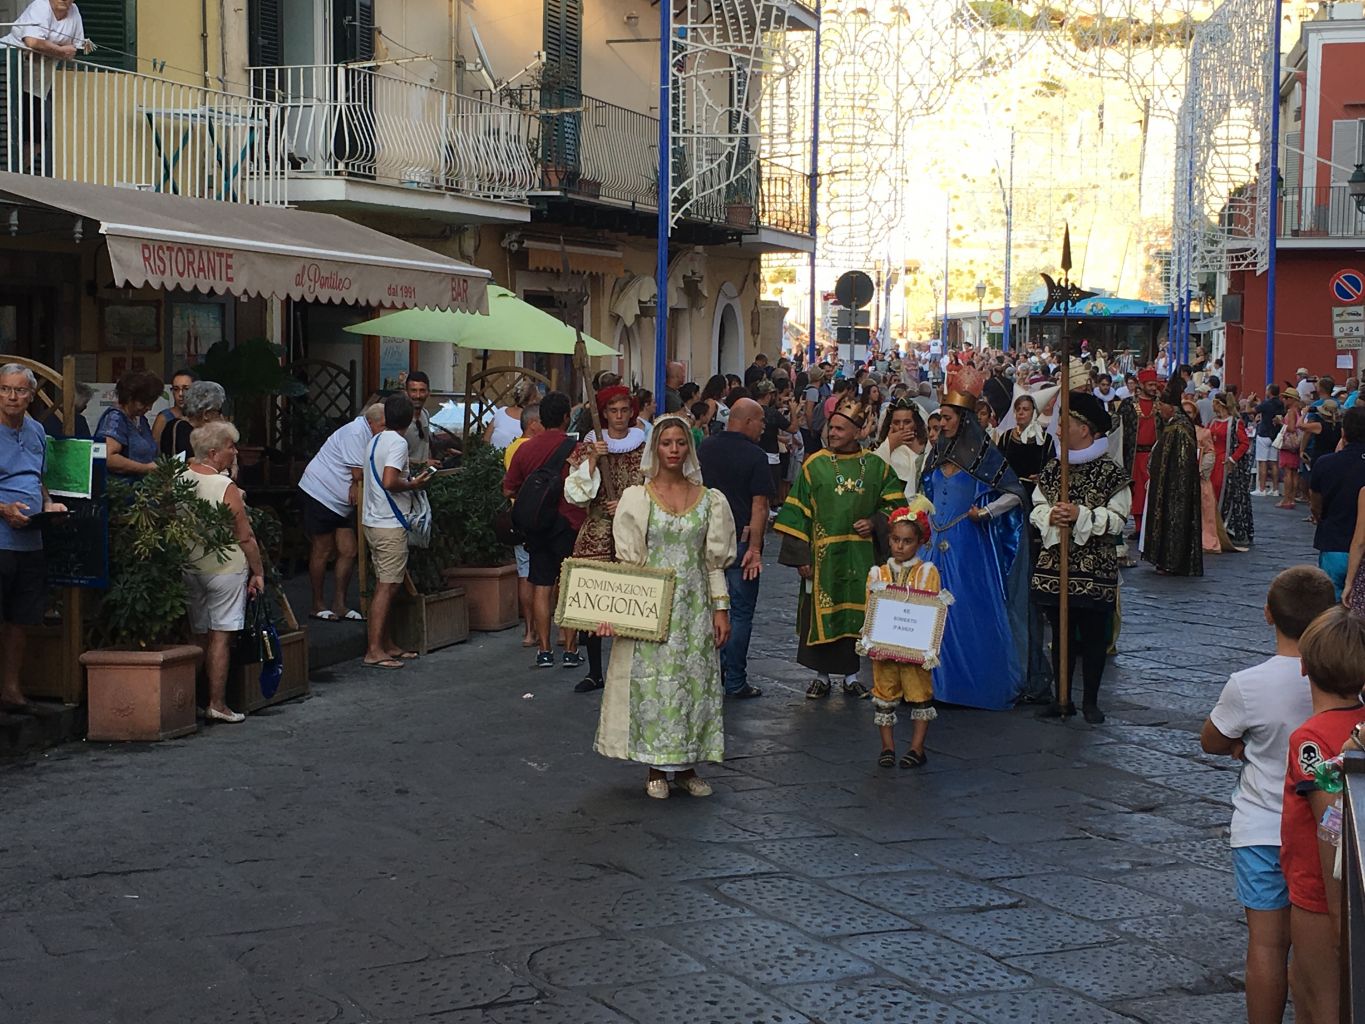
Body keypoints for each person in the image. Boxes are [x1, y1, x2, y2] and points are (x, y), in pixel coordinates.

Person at [1201, 566, 1337, 1024]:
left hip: (1260, 828)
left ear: (1267, 615)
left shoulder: (1248, 683)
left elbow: (1212, 740)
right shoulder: (1342, 681)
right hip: (1320, 835)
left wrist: (1243, 744)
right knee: (1320, 950)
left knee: (1265, 945)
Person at [592, 416, 736, 799]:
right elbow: (628, 563)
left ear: (689, 447)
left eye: (680, 442)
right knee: (655, 684)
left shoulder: (710, 500)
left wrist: (720, 608)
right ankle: (656, 766)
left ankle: (689, 767)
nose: (673, 449)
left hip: (694, 607)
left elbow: (713, 560)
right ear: (655, 448)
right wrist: (616, 612)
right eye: (666, 442)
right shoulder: (637, 499)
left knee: (694, 683)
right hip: (652, 607)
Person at [775, 395, 905, 699]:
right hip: (822, 557)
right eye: (830, 428)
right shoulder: (814, 466)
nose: (832, 433)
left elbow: (897, 507)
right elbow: (797, 511)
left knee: (857, 617)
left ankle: (850, 676)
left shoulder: (875, 467)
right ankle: (821, 677)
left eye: (839, 429)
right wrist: (800, 557)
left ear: (857, 431)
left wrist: (875, 522)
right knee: (821, 614)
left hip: (862, 557)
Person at [918, 366, 1029, 709]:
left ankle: (966, 684)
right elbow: (925, 492)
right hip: (933, 544)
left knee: (964, 610)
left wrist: (986, 512)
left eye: (947, 418)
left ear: (963, 420)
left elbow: (1015, 493)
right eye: (939, 420)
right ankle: (929, 684)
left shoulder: (984, 455)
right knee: (928, 610)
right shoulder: (936, 453)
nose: (942, 425)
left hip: (969, 546)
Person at [1279, 606, 1365, 1024]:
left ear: (1304, 666)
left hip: (1320, 892)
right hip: (1346, 887)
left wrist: (1337, 917)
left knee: (1319, 999)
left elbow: (1330, 829)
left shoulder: (1309, 740)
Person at [1030, 392, 1131, 723]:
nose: (1057, 430)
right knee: (1060, 634)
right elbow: (1037, 504)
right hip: (1055, 564)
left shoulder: (1111, 472)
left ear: (1085, 429)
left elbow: (1117, 518)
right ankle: (1062, 696)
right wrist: (1050, 516)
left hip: (1094, 566)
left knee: (1093, 634)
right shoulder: (1052, 468)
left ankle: (1090, 700)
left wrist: (1081, 515)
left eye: (1064, 423)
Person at [181, 421, 266, 725]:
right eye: (231, 446)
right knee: (221, 636)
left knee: (198, 635)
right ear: (215, 452)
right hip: (224, 567)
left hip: (191, 565)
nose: (236, 451)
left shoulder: (180, 478)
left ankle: (187, 701)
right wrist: (258, 572)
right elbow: (245, 536)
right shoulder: (224, 487)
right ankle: (217, 703)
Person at [564, 386, 647, 693]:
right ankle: (595, 671)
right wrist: (591, 461)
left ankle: (632, 668)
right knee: (595, 603)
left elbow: (653, 488)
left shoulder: (644, 448)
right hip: (598, 530)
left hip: (633, 531)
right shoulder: (590, 447)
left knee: (633, 601)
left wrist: (628, 502)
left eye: (625, 410)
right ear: (604, 414)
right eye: (613, 411)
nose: (620, 417)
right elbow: (575, 493)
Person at [0, 364, 67, 712]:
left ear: (31, 395)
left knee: (22, 617)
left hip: (31, 538)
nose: (13, 397)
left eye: (20, 390)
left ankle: (11, 689)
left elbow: (38, 478)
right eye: (6, 389)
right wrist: (4, 509)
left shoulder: (37, 430)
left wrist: (49, 503)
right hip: (0, 537)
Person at [502, 391, 584, 669]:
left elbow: (508, 488)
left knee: (541, 584)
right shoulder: (577, 449)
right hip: (569, 522)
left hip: (537, 525)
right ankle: (571, 649)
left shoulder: (524, 449)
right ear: (566, 417)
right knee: (569, 585)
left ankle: (544, 649)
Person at [699, 397, 773, 699]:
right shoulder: (755, 456)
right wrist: (755, 547)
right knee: (741, 612)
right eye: (761, 422)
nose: (764, 427)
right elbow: (760, 506)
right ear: (746, 421)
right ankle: (735, 679)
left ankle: (709, 674)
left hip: (706, 540)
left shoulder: (704, 448)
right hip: (741, 540)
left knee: (709, 609)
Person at [867, 504, 941, 769]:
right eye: (895, 540)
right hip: (886, 648)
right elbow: (871, 607)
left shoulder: (927, 572)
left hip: (914, 648)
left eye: (907, 541)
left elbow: (931, 608)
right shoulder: (878, 573)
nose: (900, 547)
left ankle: (917, 747)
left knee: (919, 694)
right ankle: (887, 747)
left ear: (919, 543)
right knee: (885, 694)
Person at [298, 404, 384, 621]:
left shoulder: (370, 433)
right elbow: (358, 473)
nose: (385, 430)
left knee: (349, 550)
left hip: (340, 501)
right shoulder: (356, 432)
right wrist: (356, 483)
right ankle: (317, 605)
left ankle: (339, 604)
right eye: (382, 426)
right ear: (370, 422)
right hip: (319, 492)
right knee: (323, 549)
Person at [361, 394, 428, 670]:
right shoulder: (399, 443)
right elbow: (390, 480)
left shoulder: (375, 439)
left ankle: (385, 643)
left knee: (385, 584)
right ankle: (375, 649)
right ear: (411, 419)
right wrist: (413, 484)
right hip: (389, 523)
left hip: (373, 520)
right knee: (387, 588)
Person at [3, 0, 91, 174]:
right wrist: (59, 50)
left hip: (36, 83)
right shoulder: (40, 6)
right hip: (7, 70)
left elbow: (73, 49)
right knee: (7, 126)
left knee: (37, 134)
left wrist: (47, 49)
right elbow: (32, 42)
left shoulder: (74, 12)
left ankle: (15, 174)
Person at [1141, 378, 1203, 576]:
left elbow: (1183, 462)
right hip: (1164, 483)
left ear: (1171, 407)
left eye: (1162, 405)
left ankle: (1173, 561)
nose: (1159, 409)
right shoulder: (1172, 425)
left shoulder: (1182, 427)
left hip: (1176, 487)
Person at [1309, 406, 1365, 598]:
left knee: (1333, 610)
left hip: (1335, 542)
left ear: (1343, 432)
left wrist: (1319, 517)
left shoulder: (1325, 463)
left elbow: (1315, 503)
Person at [503, 404, 542, 648]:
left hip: (518, 512)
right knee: (548, 573)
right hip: (540, 513)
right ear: (533, 424)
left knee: (524, 572)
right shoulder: (534, 448)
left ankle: (529, 631)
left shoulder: (511, 448)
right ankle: (551, 630)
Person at [1118, 368, 1163, 540]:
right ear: (1142, 385)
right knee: (1137, 491)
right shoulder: (1128, 405)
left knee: (1153, 491)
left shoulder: (1161, 405)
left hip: (1154, 454)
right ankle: (1138, 526)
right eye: (1150, 384)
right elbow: (1117, 426)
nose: (1153, 388)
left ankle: (1152, 526)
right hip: (1134, 455)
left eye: (1155, 384)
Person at [94, 370, 162, 479]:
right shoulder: (115, 419)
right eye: (144, 403)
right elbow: (108, 457)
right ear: (130, 398)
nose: (149, 408)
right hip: (120, 491)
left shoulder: (141, 419)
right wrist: (145, 468)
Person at [1210, 392, 1253, 552]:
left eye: (1214, 403)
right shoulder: (1213, 422)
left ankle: (1226, 527)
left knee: (1226, 493)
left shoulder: (1235, 423)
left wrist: (1233, 459)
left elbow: (1244, 443)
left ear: (1219, 404)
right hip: (1213, 463)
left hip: (1225, 464)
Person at [159, 380, 225, 460]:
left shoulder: (175, 426)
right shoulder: (182, 431)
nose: (220, 416)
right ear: (206, 414)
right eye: (218, 411)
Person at [152, 368, 198, 450]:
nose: (181, 394)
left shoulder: (202, 416)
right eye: (176, 389)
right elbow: (155, 451)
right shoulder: (164, 418)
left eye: (186, 389)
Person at [485, 377, 534, 450]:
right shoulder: (531, 421)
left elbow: (486, 439)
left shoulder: (501, 412)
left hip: (493, 458)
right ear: (532, 400)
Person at [1276, 391, 1306, 511]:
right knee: (1293, 472)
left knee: (1288, 472)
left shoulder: (1291, 411)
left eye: (1286, 398)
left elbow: (1292, 428)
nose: (1284, 400)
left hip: (1288, 444)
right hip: (1295, 445)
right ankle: (1291, 498)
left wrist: (1280, 423)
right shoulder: (1298, 411)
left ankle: (1287, 499)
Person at [1254, 385, 1285, 496]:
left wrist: (1250, 402)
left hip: (1264, 434)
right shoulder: (1281, 404)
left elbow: (1250, 410)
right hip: (1275, 435)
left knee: (1262, 462)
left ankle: (1262, 489)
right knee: (1274, 463)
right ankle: (1275, 489)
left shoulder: (1266, 404)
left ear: (1270, 391)